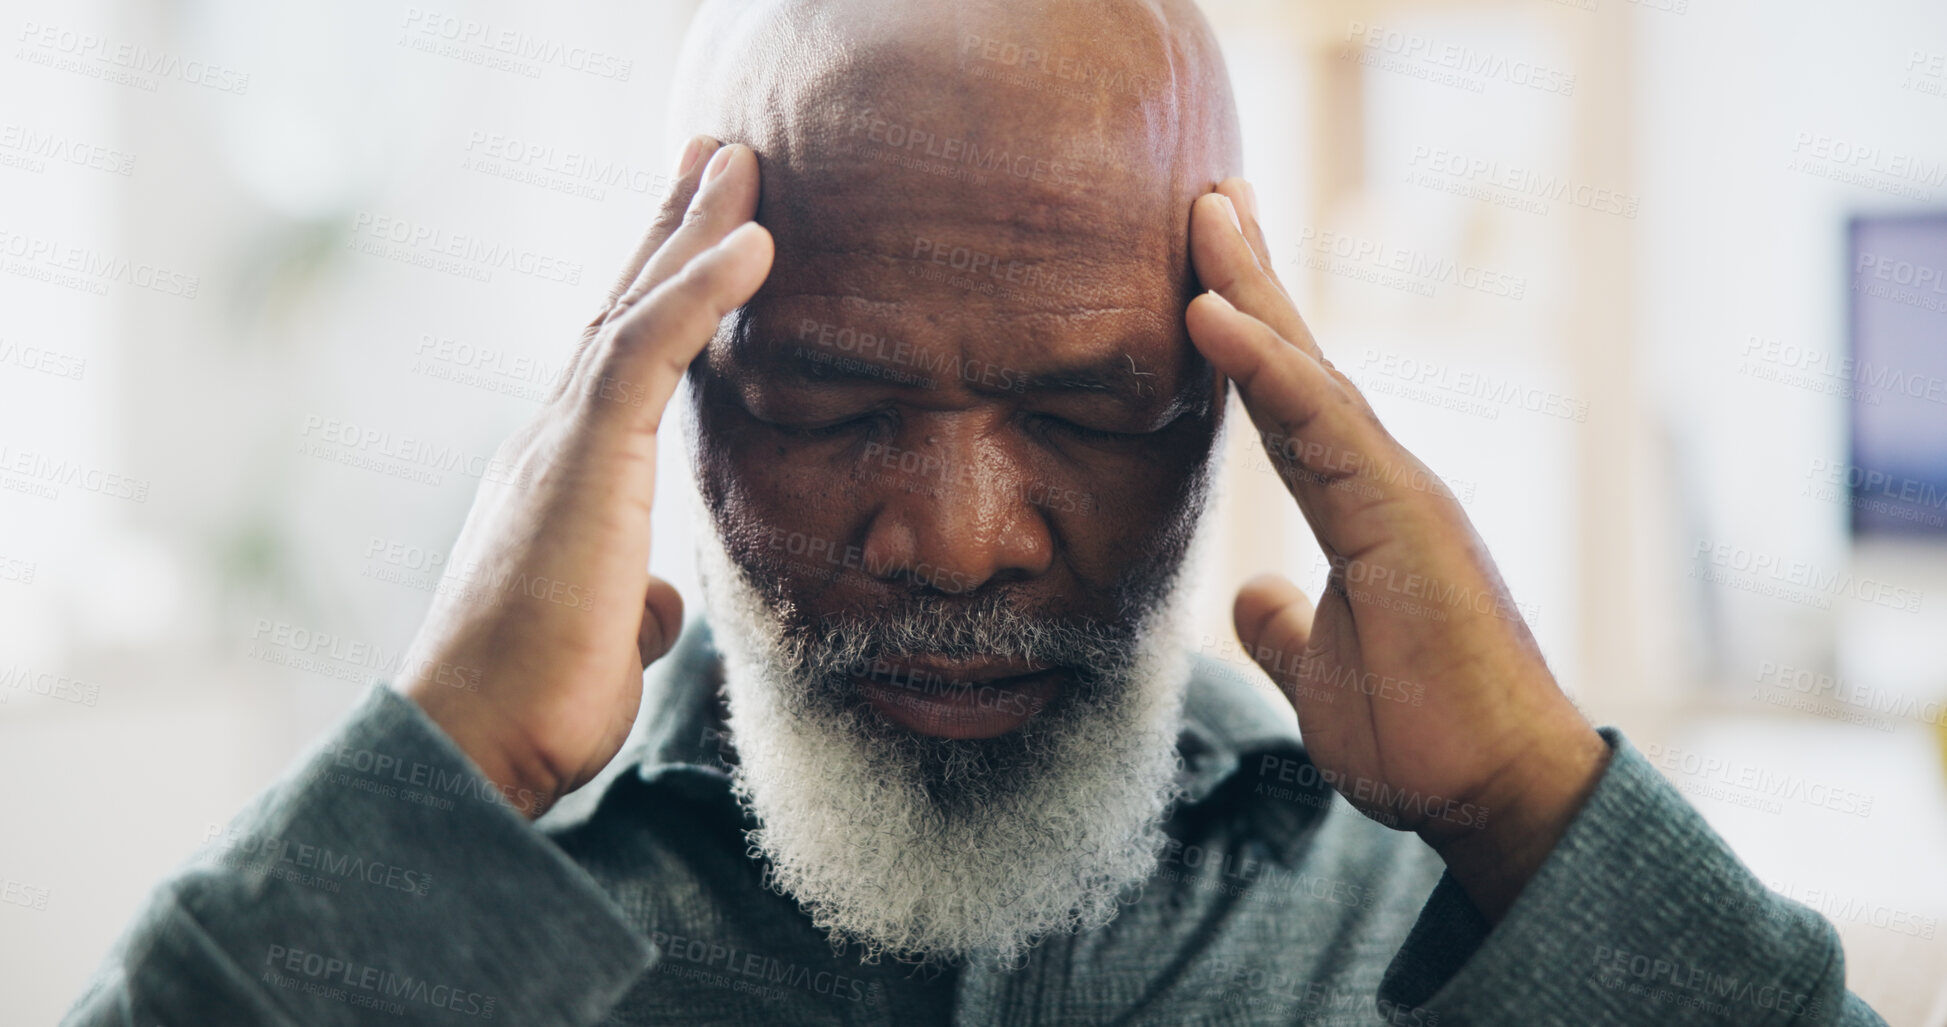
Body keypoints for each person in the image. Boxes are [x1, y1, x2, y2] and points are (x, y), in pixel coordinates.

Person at [65, 0, 1888, 1023]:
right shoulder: (444, 897)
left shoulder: (1426, 911)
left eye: (1087, 412)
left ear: (1231, 396)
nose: (955, 539)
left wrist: (1531, 811)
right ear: (666, 376)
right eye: (835, 403)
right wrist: (445, 770)